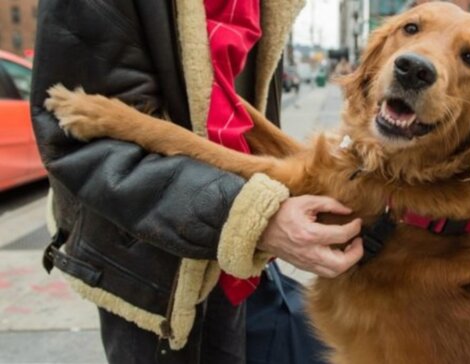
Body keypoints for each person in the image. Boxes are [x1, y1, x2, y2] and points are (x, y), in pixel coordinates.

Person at [31, 1, 363, 363]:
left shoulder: (268, 6)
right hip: (148, 268)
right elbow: (78, 139)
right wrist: (254, 218)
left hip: (235, 261)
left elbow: (232, 114)